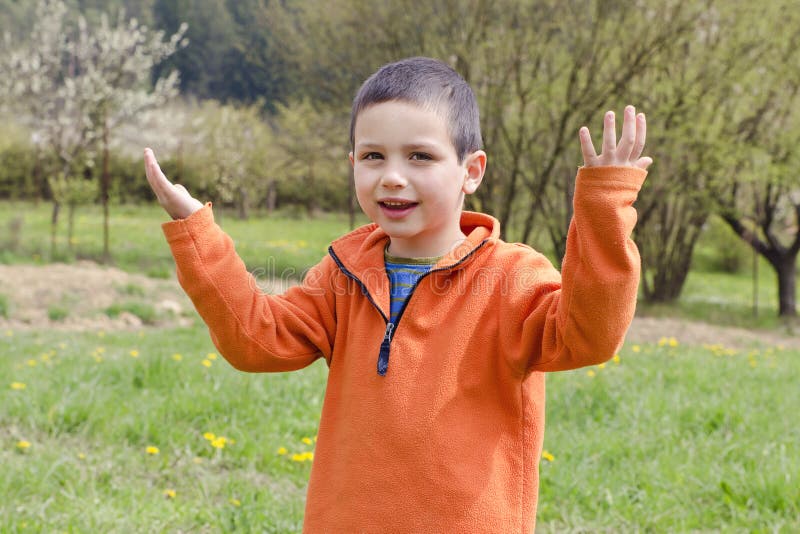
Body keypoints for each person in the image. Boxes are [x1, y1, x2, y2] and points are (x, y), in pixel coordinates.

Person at [144, 56, 651, 532]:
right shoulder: (343, 273)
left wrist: (604, 204)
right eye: (373, 156)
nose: (391, 175)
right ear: (353, 164)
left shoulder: (512, 276)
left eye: (419, 156)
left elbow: (590, 336)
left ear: (471, 171)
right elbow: (256, 340)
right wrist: (196, 231)